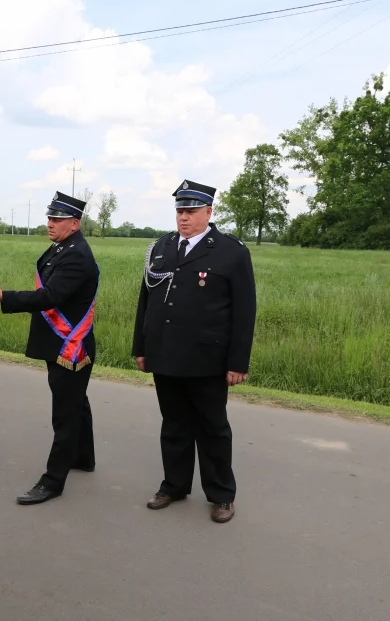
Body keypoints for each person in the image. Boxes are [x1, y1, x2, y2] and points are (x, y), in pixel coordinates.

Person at [131, 179, 257, 524]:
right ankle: (173, 485)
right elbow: (147, 302)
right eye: (179, 211)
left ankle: (221, 495)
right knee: (173, 424)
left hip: (207, 359)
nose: (183, 218)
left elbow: (245, 313)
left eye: (190, 211)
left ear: (208, 212)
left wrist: (237, 361)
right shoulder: (161, 247)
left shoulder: (231, 251)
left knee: (213, 428)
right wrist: (141, 347)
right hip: (165, 354)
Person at [0, 191, 98, 505]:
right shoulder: (62, 248)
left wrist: (4, 296)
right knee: (75, 402)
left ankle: (53, 481)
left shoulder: (76, 255)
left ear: (74, 222)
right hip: (57, 342)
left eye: (57, 219)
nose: (50, 223)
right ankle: (84, 457)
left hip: (69, 347)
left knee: (65, 413)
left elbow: (50, 297)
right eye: (49, 217)